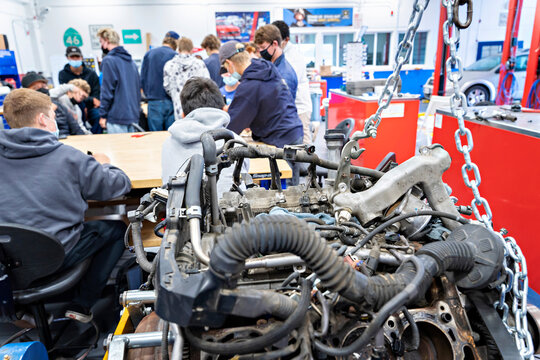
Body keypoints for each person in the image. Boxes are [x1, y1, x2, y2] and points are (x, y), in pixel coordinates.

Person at [0, 89, 132, 322]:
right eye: (52, 115)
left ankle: (26, 312)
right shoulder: (69, 158)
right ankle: (82, 303)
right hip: (54, 258)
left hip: (7, 264)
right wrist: (104, 164)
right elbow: (117, 186)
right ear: (43, 119)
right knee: (116, 229)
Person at [161, 77, 247, 196]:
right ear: (224, 109)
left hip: (181, 212)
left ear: (183, 114)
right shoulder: (237, 142)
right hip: (233, 211)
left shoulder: (168, 144)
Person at [220, 41, 303, 148]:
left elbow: (231, 128)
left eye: (226, 68)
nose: (229, 73)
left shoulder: (248, 86)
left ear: (230, 63)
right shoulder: (266, 68)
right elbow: (267, 102)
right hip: (293, 129)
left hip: (280, 139)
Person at [272, 20, 313, 144]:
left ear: (286, 40)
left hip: (300, 109)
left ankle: (308, 164)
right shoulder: (280, 54)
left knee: (303, 148)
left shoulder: (294, 56)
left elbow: (286, 83)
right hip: (289, 110)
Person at [97, 28, 141, 133]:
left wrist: (103, 115)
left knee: (118, 149)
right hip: (133, 116)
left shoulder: (108, 61)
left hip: (117, 117)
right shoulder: (131, 62)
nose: (101, 46)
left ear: (107, 40)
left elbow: (107, 91)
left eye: (101, 42)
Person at [21, 71, 87, 136]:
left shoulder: (58, 106)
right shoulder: (25, 113)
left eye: (43, 86)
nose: (41, 90)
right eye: (35, 88)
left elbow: (76, 129)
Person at [164, 37, 210, 122]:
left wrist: (176, 95)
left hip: (179, 107)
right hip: (199, 107)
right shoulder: (199, 64)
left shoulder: (169, 65)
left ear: (178, 49)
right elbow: (207, 85)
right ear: (192, 49)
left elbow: (167, 86)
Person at [140, 31, 179, 131]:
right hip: (171, 101)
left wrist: (147, 94)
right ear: (174, 45)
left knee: (155, 136)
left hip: (154, 101)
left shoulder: (149, 54)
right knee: (171, 135)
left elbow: (142, 78)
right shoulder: (175, 55)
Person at [58, 46, 101, 132]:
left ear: (81, 57)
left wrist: (89, 102)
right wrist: (89, 100)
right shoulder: (63, 74)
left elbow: (96, 95)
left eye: (77, 57)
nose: (75, 59)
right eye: (72, 57)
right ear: (67, 57)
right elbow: (67, 94)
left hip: (90, 107)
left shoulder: (91, 74)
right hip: (73, 106)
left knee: (99, 115)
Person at [254, 25, 298, 101]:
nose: (261, 51)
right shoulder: (271, 66)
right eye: (259, 48)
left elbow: (282, 106)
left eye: (263, 47)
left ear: (275, 44)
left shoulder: (284, 75)